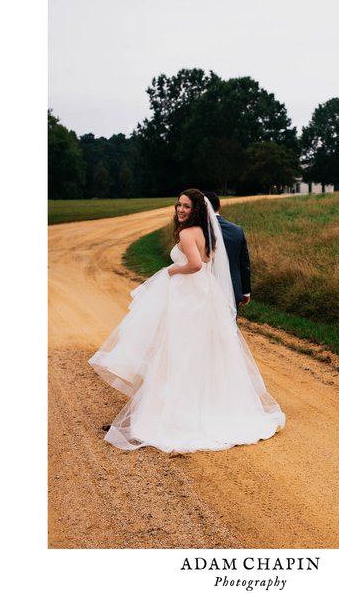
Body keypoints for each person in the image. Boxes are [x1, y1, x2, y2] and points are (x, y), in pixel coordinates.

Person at [89, 188, 285, 453]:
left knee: (179, 350)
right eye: (178, 205)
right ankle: (204, 408)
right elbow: (208, 260)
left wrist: (172, 270)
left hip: (188, 296)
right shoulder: (207, 233)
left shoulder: (185, 233)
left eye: (186, 207)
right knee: (201, 352)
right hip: (203, 293)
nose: (180, 210)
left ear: (196, 210)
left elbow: (194, 264)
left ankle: (179, 413)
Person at [203, 192, 251, 311]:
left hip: (203, 289)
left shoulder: (196, 230)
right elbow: (244, 263)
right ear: (219, 206)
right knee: (228, 327)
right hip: (232, 290)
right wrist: (246, 291)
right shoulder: (237, 230)